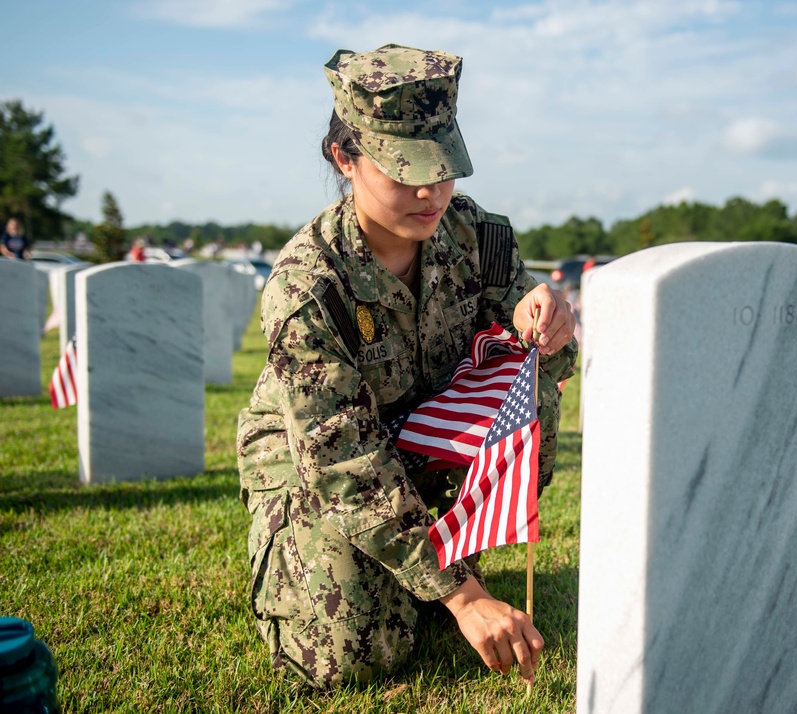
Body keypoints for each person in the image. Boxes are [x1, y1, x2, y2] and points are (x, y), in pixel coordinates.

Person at [236, 44, 578, 689]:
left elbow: (552, 359)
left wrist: (551, 322)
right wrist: (462, 597)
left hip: (423, 440)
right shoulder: (309, 286)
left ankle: (443, 544)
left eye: (442, 168)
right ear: (345, 157)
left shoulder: (475, 236)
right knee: (352, 656)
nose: (430, 191)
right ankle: (329, 561)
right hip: (318, 464)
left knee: (534, 384)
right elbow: (342, 461)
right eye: (404, 170)